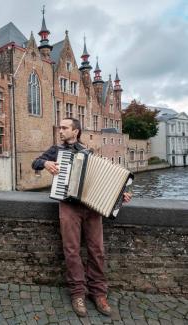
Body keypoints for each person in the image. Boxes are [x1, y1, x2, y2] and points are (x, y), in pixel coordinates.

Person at [32, 117, 131, 317]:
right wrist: (46, 163)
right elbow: (35, 163)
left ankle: (98, 292)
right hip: (68, 206)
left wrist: (120, 194)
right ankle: (78, 293)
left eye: (64, 128)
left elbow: (103, 180)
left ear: (75, 131)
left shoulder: (89, 152)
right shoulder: (56, 151)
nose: (60, 130)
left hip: (92, 208)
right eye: (60, 127)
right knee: (71, 250)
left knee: (97, 250)